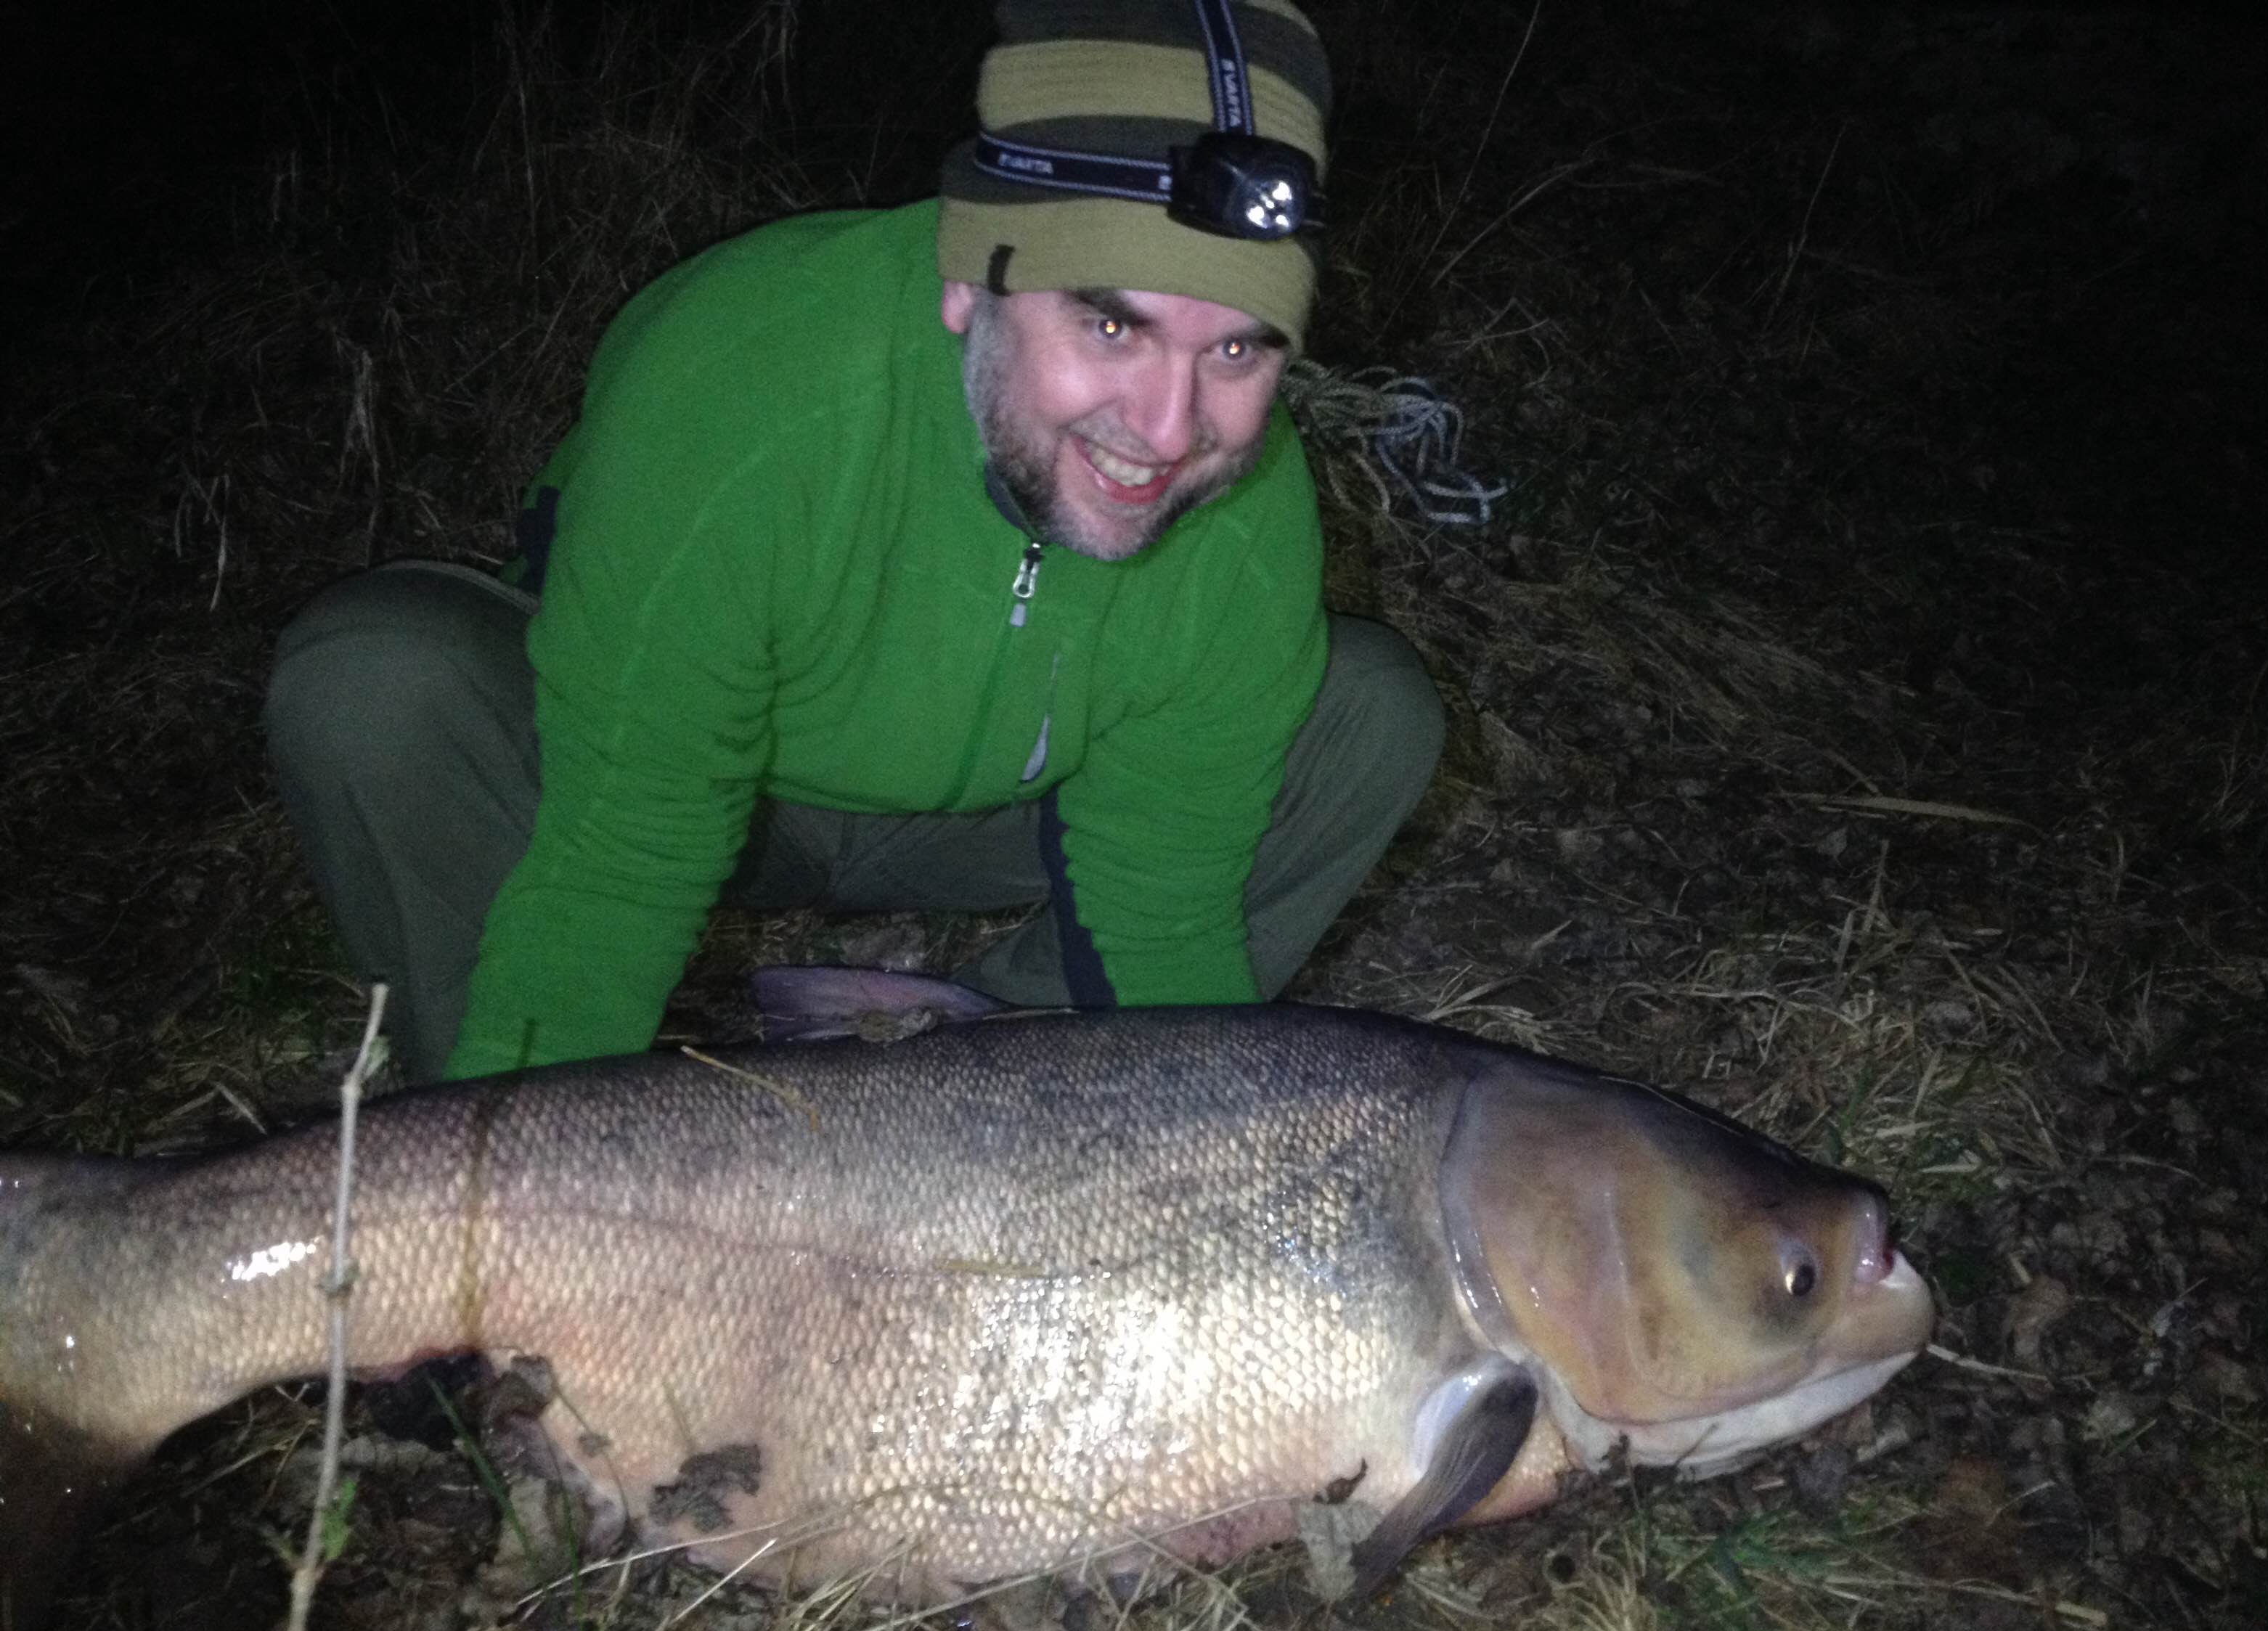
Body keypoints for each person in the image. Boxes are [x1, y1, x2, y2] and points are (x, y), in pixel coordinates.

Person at [266, 0, 1444, 1083]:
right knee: (373, 681)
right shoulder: (750, 391)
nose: (1168, 430)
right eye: (1110, 324)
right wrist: (509, 1202)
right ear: (968, 281)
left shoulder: (1244, 503)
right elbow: (617, 862)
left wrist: (1189, 1133)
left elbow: (1164, 896)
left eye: (1237, 350)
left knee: (1371, 709)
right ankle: (496, 1127)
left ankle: (995, 1060)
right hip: (703, 787)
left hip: (1007, 814)